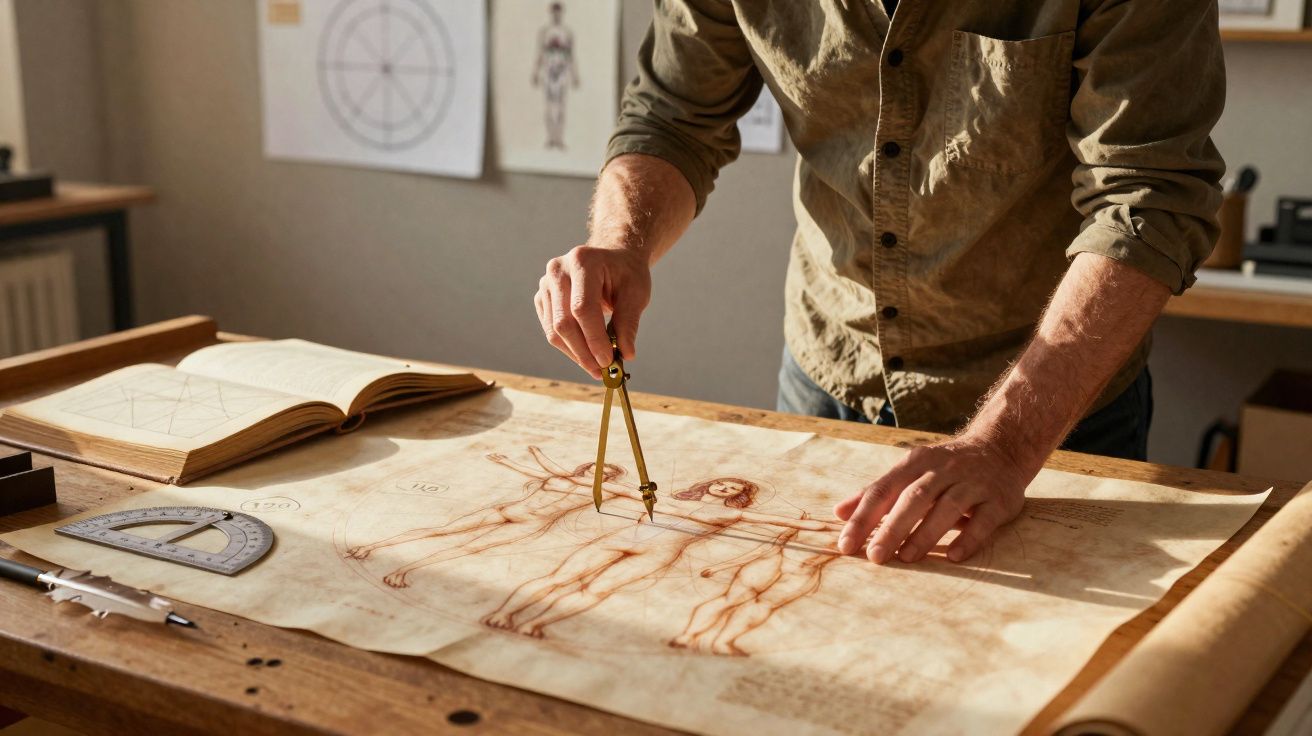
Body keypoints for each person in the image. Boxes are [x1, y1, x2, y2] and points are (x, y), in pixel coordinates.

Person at [532, 2, 1225, 565]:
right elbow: (672, 118)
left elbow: (1149, 199)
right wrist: (620, 242)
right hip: (830, 374)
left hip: (1050, 409)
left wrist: (1006, 446)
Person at [531, 1, 578, 150]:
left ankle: (559, 138)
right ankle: (550, 137)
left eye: (558, 12)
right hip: (548, 72)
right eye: (554, 12)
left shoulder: (567, 32)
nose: (556, 15)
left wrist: (574, 74)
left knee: (561, 107)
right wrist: (535, 72)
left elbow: (571, 55)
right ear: (551, 13)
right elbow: (540, 54)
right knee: (549, 107)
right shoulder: (545, 32)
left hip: (562, 72)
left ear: (561, 13)